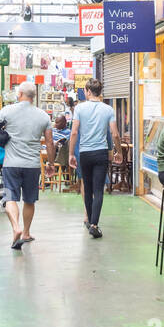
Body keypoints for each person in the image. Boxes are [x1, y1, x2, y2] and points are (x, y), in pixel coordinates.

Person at [0, 81, 53, 250]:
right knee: (29, 200)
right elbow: (50, 142)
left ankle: (16, 228)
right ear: (33, 96)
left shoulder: (7, 111)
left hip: (11, 164)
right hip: (32, 165)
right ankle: (26, 232)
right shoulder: (43, 115)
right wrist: (50, 162)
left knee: (10, 198)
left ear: (19, 94)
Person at [70, 78, 118, 238]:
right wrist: (118, 151)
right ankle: (95, 224)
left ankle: (90, 221)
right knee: (98, 191)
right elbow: (115, 133)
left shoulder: (79, 109)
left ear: (88, 91)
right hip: (101, 153)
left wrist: (71, 153)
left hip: (85, 153)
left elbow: (74, 132)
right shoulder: (108, 109)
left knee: (88, 188)